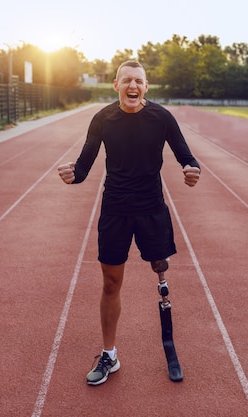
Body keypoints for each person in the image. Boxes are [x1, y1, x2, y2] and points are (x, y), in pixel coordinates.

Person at [57, 60, 201, 386]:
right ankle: (110, 354)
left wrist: (192, 170)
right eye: (127, 81)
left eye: (138, 81)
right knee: (110, 284)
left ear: (146, 87)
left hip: (151, 208)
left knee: (160, 270)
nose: (132, 86)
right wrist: (72, 175)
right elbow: (84, 165)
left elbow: (186, 156)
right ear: (116, 85)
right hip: (116, 209)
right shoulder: (103, 119)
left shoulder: (162, 118)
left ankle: (168, 339)